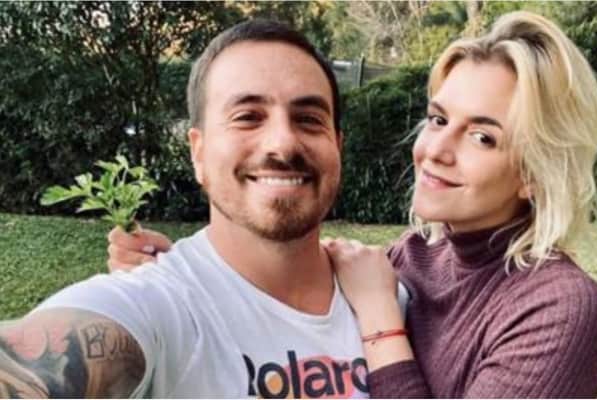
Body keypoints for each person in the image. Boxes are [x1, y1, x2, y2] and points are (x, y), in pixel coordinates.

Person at [110, 11, 597, 398]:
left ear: (534, 172)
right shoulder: (413, 256)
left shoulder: (558, 307)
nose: (436, 150)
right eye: (439, 120)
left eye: (482, 137)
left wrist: (380, 319)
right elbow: (290, 279)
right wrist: (183, 272)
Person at [1, 20, 405, 398]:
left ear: (338, 145)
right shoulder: (158, 304)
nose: (283, 143)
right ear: (198, 151)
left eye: (309, 119)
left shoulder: (393, 298)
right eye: (247, 117)